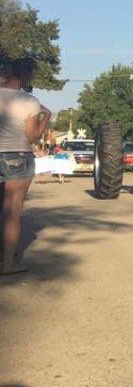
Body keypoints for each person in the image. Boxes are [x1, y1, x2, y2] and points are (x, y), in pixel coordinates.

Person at [0, 57, 51, 276]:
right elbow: (32, 136)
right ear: (25, 77)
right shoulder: (29, 101)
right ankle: (7, 264)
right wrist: (45, 118)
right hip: (17, 155)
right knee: (12, 209)